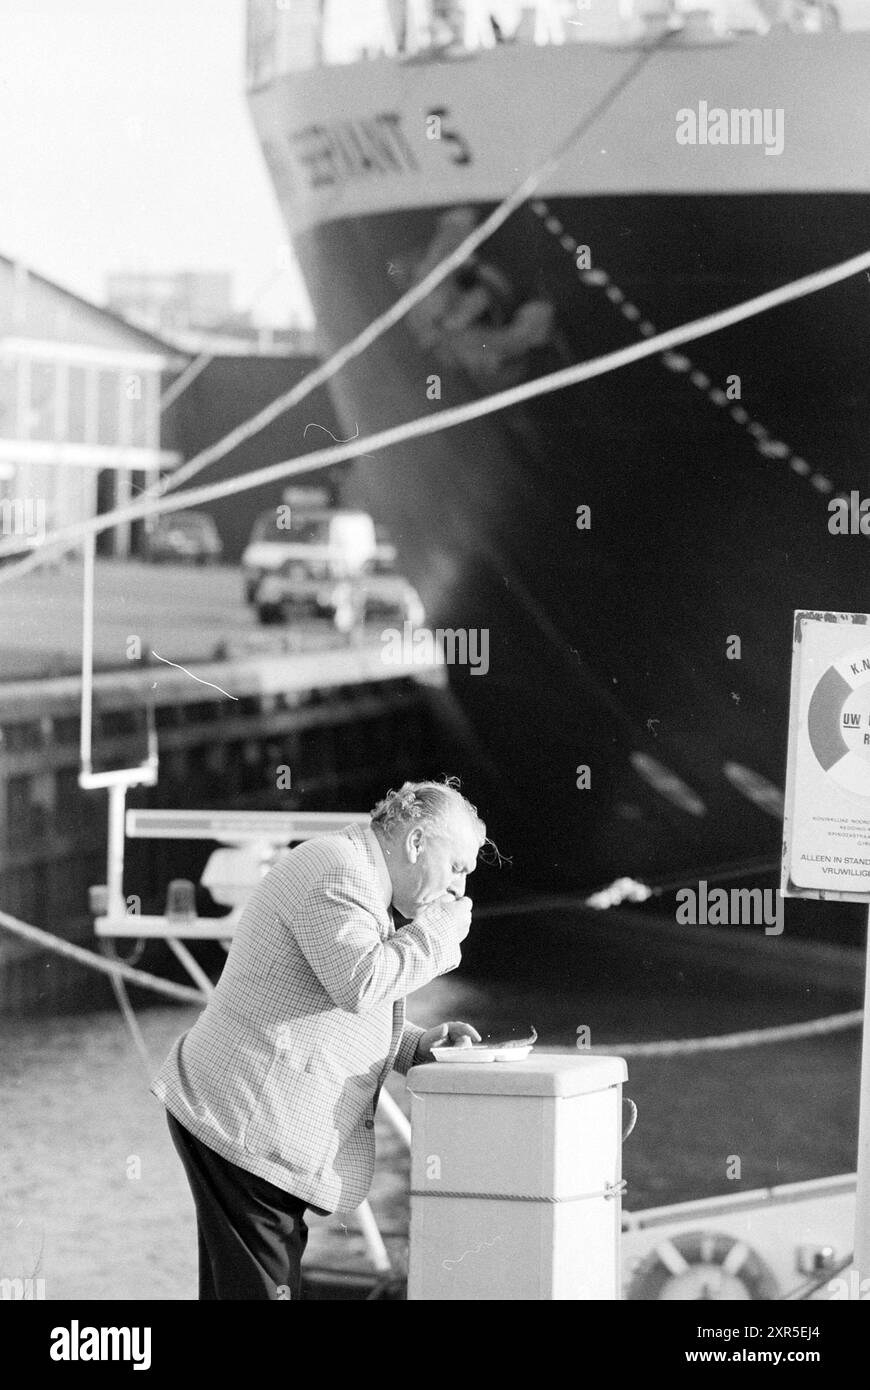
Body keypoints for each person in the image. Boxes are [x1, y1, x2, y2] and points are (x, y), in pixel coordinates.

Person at [151, 777, 486, 1300]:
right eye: (458, 867)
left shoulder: (354, 871)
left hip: (245, 1121)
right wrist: (440, 933)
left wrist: (414, 1046)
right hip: (244, 1125)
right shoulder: (337, 870)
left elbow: (332, 1001)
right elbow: (360, 982)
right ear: (417, 842)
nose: (460, 889)